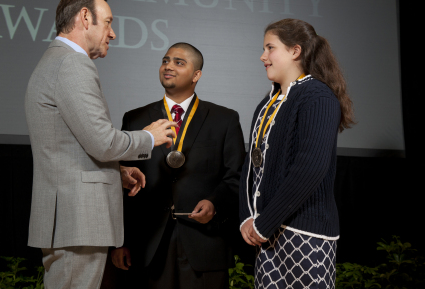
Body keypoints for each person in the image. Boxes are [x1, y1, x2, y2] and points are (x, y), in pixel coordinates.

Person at [24, 0, 176, 289]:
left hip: (69, 218)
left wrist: (115, 172)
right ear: (84, 17)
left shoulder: (55, 61)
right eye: (107, 22)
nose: (113, 33)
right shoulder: (72, 64)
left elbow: (68, 145)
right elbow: (103, 142)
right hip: (77, 219)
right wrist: (149, 136)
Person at [110, 42, 246, 289]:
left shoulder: (225, 119)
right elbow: (123, 185)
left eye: (178, 62)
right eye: (165, 61)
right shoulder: (135, 118)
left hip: (205, 242)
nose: (168, 66)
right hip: (148, 244)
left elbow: (236, 177)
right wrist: (121, 242)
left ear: (197, 75)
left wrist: (215, 203)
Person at [239, 18, 355, 289]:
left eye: (270, 48)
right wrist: (248, 217)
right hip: (267, 234)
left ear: (295, 51)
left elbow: (310, 168)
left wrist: (263, 223)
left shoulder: (318, 96)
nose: (262, 56)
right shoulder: (266, 104)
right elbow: (251, 164)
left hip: (305, 233)